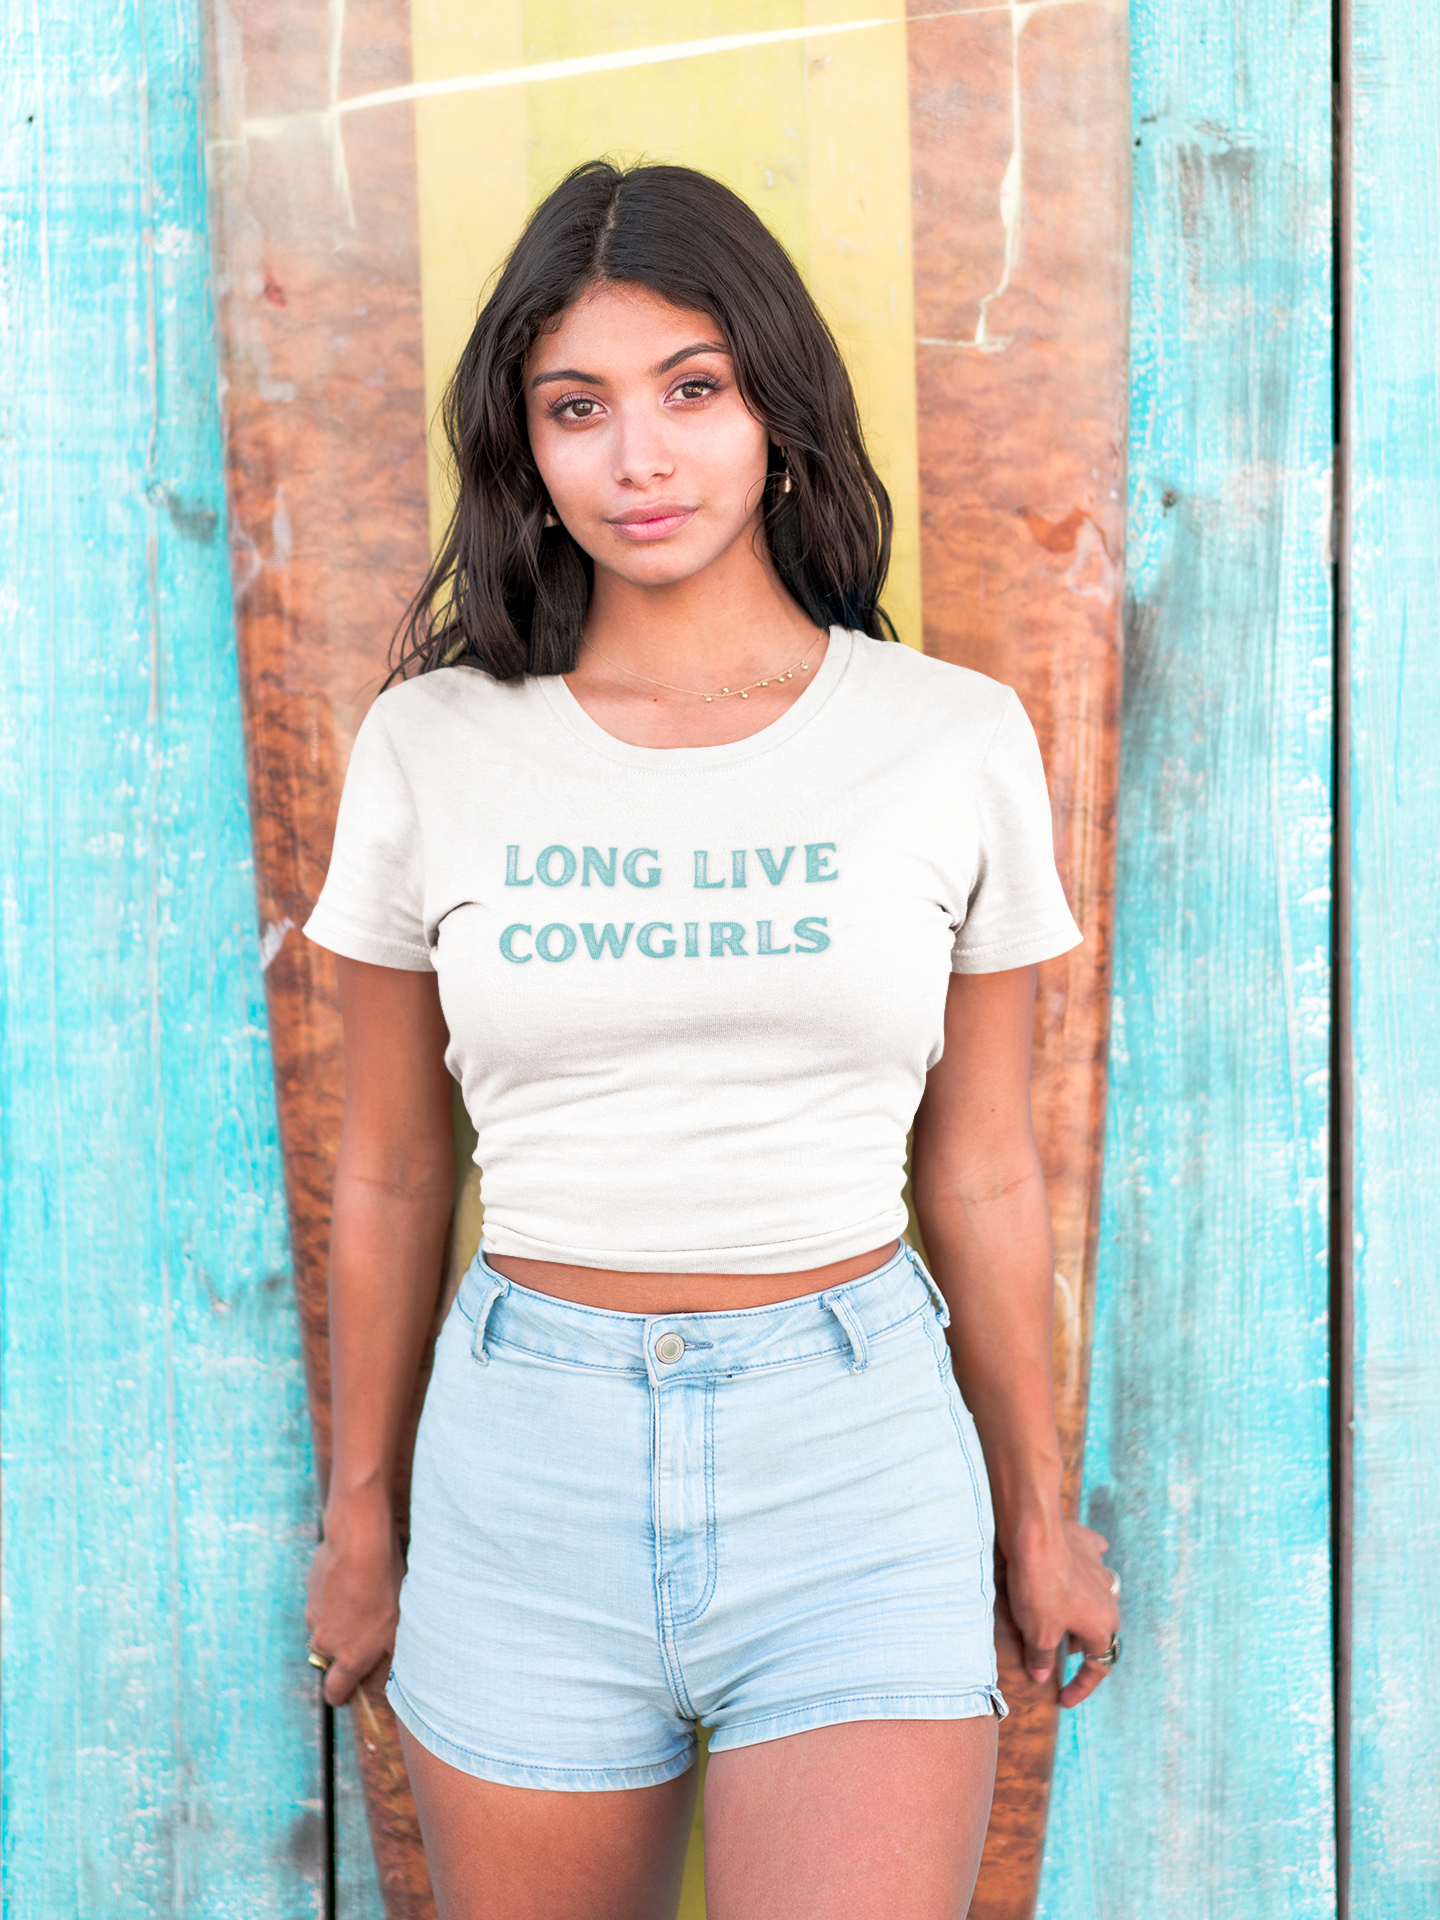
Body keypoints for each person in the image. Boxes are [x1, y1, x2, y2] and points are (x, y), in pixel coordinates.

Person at [301, 159, 1120, 1920]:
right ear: (526, 446)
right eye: (576, 408)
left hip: (858, 1456)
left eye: (693, 390)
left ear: (779, 411)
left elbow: (978, 1162)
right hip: (527, 1462)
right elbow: (384, 1162)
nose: (640, 460)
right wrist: (361, 1516)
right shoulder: (434, 745)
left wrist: (1038, 1511)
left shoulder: (947, 740)